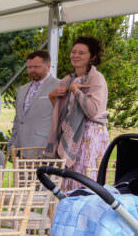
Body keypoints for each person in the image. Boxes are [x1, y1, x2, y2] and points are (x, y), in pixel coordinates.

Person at [47, 37, 109, 191]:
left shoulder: (97, 79)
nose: (75, 55)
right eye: (74, 51)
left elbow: (93, 111)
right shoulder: (67, 80)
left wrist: (76, 91)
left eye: (81, 53)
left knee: (84, 181)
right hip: (70, 135)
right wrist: (52, 97)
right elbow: (63, 114)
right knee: (67, 180)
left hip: (89, 136)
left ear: (92, 57)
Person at [8, 50, 57, 157]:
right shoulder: (22, 89)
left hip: (43, 149)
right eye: (29, 67)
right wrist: (12, 143)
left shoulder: (59, 86)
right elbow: (18, 119)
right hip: (19, 149)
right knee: (19, 175)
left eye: (36, 67)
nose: (32, 70)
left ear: (48, 66)